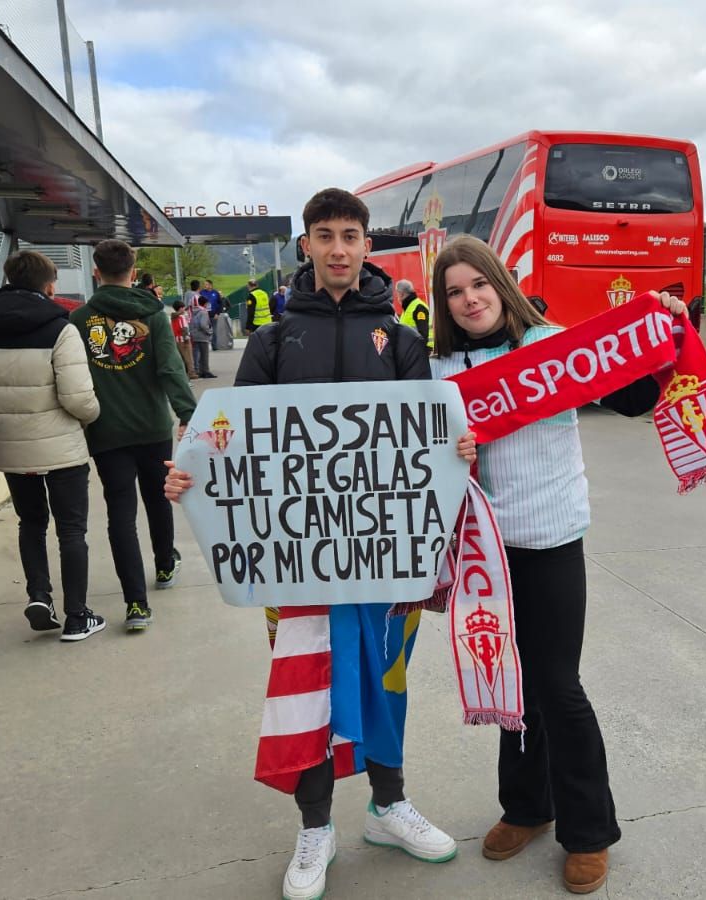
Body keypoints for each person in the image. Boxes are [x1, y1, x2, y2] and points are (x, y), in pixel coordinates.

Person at [164, 188, 456, 900]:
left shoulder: (404, 339)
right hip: (296, 565)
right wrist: (192, 470)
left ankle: (389, 805)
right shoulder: (271, 341)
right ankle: (316, 826)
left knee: (388, 684)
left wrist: (460, 452)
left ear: (365, 245)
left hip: (385, 562)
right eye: (323, 235)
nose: (337, 248)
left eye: (349, 235)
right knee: (310, 691)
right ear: (306, 245)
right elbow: (230, 440)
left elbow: (429, 442)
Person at [427, 234, 682, 895]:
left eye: (477, 284)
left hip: (551, 540)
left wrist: (662, 330)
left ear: (499, 283)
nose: (468, 299)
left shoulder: (551, 345)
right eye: (454, 291)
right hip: (483, 548)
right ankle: (527, 808)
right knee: (510, 682)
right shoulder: (440, 372)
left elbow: (631, 400)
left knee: (558, 686)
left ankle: (589, 830)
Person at [0, 250, 103, 640]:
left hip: (12, 449)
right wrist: (91, 415)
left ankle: (39, 595)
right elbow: (78, 399)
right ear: (49, 285)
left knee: (31, 522)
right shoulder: (61, 329)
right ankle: (78, 616)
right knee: (72, 530)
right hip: (62, 447)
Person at [70, 239, 195, 634]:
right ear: (133, 267)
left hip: (106, 432)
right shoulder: (154, 314)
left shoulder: (78, 320)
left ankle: (136, 604)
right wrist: (187, 413)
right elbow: (170, 369)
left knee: (120, 514)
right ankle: (164, 562)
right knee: (158, 497)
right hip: (152, 426)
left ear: (96, 271)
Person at [395, 278, 432, 349]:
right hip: (413, 350)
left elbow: (423, 333)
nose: (397, 297)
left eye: (397, 294)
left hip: (423, 350)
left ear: (401, 294)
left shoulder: (418, 307)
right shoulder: (407, 308)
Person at [187, 290, 216, 378]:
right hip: (202, 336)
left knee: (196, 354)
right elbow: (203, 325)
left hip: (195, 335)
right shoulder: (204, 312)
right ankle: (206, 371)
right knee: (204, 354)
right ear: (205, 303)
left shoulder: (194, 311)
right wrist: (209, 331)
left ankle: (198, 370)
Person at [171, 298, 198, 379]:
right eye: (183, 307)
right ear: (181, 308)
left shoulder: (173, 317)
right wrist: (186, 338)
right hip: (184, 339)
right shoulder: (182, 317)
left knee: (181, 358)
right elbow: (184, 328)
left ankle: (184, 373)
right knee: (189, 357)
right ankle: (191, 373)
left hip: (177, 339)